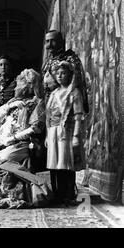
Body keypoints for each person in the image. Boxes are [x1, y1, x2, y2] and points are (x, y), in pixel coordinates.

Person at [0, 69, 45, 175]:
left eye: (21, 84)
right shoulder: (14, 100)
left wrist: (12, 138)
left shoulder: (37, 103)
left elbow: (36, 128)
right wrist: (10, 105)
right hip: (0, 142)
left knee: (1, 161)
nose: (16, 88)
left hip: (20, 143)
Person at [45, 61, 85, 205]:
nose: (60, 76)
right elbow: (49, 115)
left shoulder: (74, 92)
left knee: (65, 163)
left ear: (69, 74)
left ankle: (68, 193)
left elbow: (78, 115)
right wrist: (47, 135)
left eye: (63, 73)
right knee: (54, 163)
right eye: (58, 74)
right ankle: (57, 194)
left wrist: (75, 136)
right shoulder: (54, 93)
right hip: (53, 132)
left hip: (66, 132)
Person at [42, 30, 88, 113]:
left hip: (66, 104)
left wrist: (70, 66)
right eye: (47, 41)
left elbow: (79, 80)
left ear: (61, 42)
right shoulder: (47, 61)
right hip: (50, 104)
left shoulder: (70, 59)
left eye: (53, 41)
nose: (49, 45)